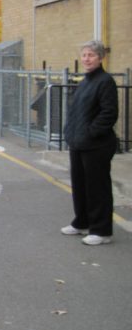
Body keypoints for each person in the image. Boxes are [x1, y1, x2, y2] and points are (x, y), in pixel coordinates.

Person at [61, 40, 119, 246]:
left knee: (97, 188)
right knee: (80, 185)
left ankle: (101, 230)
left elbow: (108, 113)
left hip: (97, 145)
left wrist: (91, 133)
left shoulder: (105, 81)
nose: (86, 59)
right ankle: (82, 222)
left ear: (100, 57)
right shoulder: (85, 82)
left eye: (91, 55)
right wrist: (71, 133)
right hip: (78, 143)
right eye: (84, 55)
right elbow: (77, 112)